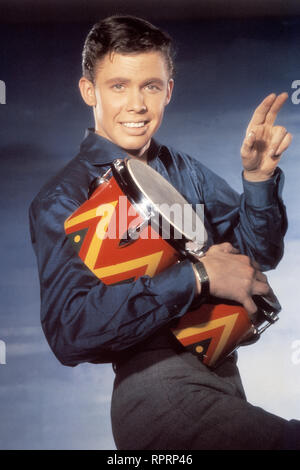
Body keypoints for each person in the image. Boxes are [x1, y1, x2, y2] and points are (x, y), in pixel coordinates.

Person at [29, 15, 300, 450]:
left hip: (223, 378)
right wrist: (197, 276)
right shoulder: (64, 197)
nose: (137, 104)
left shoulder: (183, 169)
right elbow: (70, 331)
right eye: (118, 86)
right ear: (88, 91)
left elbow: (258, 254)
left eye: (150, 86)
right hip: (158, 391)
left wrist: (257, 178)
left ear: (168, 90)